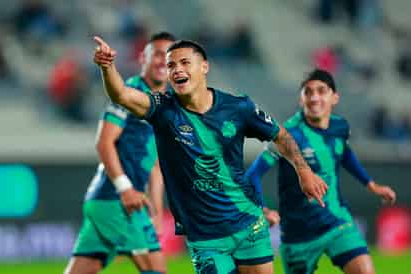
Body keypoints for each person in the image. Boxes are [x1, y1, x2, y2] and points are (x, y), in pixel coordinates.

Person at [93, 37, 328, 274]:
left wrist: (304, 170)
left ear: (204, 67)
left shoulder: (238, 108)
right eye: (171, 65)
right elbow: (122, 95)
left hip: (249, 226)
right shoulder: (162, 109)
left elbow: (281, 135)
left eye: (185, 63)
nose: (177, 70)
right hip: (205, 239)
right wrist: (107, 67)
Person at [246, 69, 397, 274]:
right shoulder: (287, 135)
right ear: (301, 100)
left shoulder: (340, 127)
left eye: (321, 91)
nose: (314, 97)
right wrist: (262, 209)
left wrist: (372, 185)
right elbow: (253, 174)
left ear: (334, 97)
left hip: (337, 222)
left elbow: (344, 154)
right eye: (308, 92)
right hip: (298, 233)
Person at [64, 32, 176, 274]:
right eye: (156, 54)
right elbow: (104, 143)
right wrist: (124, 188)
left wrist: (157, 211)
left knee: (83, 268)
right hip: (117, 200)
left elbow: (155, 165)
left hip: (110, 202)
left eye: (169, 57)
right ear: (142, 58)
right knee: (155, 270)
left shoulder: (166, 103)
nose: (162, 61)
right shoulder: (131, 91)